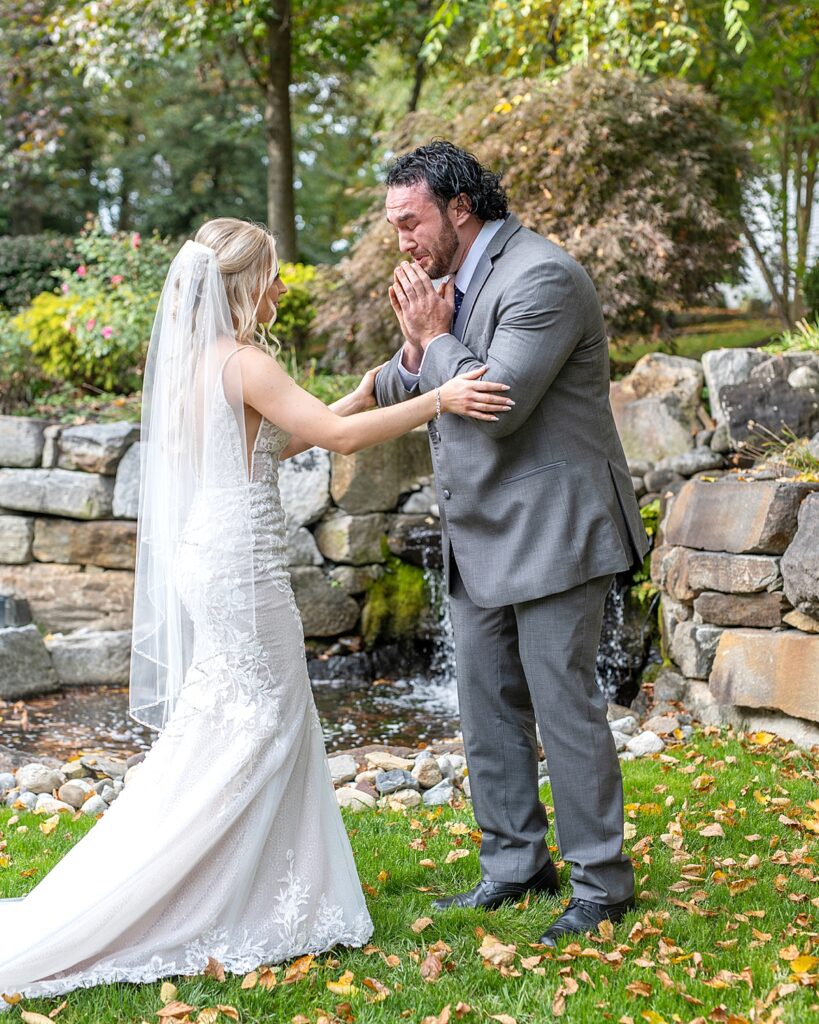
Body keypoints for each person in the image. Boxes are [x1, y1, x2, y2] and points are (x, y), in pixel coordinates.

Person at [0, 217, 513, 1004]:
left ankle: (256, 882)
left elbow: (284, 434)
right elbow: (336, 440)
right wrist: (440, 397)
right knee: (260, 726)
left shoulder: (198, 364)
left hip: (212, 557)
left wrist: (378, 385)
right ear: (241, 285)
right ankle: (208, 894)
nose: (281, 287)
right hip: (241, 567)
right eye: (272, 274)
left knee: (238, 723)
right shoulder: (243, 360)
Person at [375, 141, 650, 946]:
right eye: (393, 224)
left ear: (459, 207)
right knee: (486, 706)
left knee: (564, 710)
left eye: (409, 220)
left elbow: (491, 399)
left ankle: (601, 885)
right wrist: (392, 363)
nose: (401, 239)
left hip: (557, 529)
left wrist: (430, 337)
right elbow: (414, 377)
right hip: (479, 530)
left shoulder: (543, 277)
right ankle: (514, 864)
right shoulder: (444, 281)